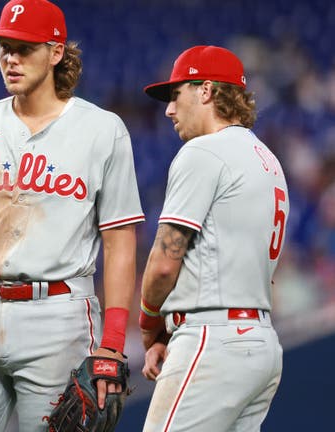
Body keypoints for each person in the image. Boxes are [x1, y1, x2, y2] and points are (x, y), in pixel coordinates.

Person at [0, 0, 144, 430]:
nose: (10, 58)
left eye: (24, 48)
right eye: (4, 47)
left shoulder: (102, 130)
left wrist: (112, 343)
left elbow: (119, 242)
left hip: (59, 315)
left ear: (56, 52)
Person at [139, 45, 287, 431]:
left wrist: (149, 323)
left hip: (213, 342)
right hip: (261, 344)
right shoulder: (268, 160)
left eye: (176, 95)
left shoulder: (203, 152)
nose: (169, 110)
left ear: (206, 91)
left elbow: (164, 262)